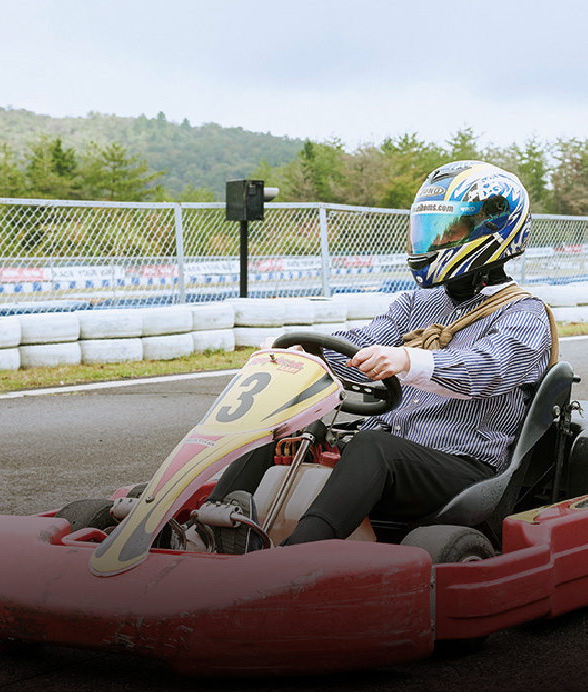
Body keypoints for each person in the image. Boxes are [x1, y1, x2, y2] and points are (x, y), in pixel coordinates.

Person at [202, 160, 554, 552]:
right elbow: (364, 343)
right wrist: (304, 354)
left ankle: (294, 557)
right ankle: (207, 530)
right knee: (284, 428)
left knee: (374, 449)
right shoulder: (415, 304)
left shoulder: (524, 313)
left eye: (448, 230)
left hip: (462, 466)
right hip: (389, 450)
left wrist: (408, 361)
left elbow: (490, 368)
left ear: (490, 232)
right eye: (428, 230)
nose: (434, 241)